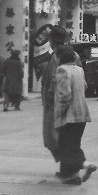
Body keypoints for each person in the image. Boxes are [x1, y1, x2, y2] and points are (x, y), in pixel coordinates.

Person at [54, 45, 96, 185]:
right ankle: (73, 176)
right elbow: (85, 86)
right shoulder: (79, 70)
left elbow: (64, 95)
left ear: (60, 57)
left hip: (69, 116)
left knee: (66, 147)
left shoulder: (62, 70)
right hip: (82, 114)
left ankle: (85, 164)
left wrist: (58, 113)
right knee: (73, 144)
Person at [41, 25, 69, 161]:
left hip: (55, 101)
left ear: (52, 40)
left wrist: (48, 97)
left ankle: (70, 163)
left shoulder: (56, 56)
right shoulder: (71, 54)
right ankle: (67, 164)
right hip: (66, 100)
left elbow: (53, 79)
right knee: (60, 135)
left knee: (52, 136)